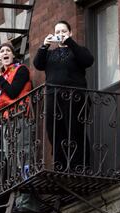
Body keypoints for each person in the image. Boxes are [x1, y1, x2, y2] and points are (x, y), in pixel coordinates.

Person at [33, 20, 94, 171]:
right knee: (55, 131)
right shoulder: (49, 54)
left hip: (75, 97)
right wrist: (44, 45)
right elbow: (38, 64)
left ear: (70, 33)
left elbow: (88, 60)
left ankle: (80, 166)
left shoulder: (77, 50)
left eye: (64, 31)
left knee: (75, 130)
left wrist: (70, 42)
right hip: (54, 98)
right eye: (58, 32)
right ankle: (61, 166)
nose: (60, 34)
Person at [0, 42, 38, 212]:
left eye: (8, 50)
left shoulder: (21, 70)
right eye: (2, 51)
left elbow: (14, 91)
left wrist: (0, 77)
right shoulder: (3, 76)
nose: (5, 53)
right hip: (8, 121)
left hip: (21, 116)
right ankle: (19, 198)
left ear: (13, 55)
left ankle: (27, 199)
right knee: (12, 158)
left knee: (24, 154)